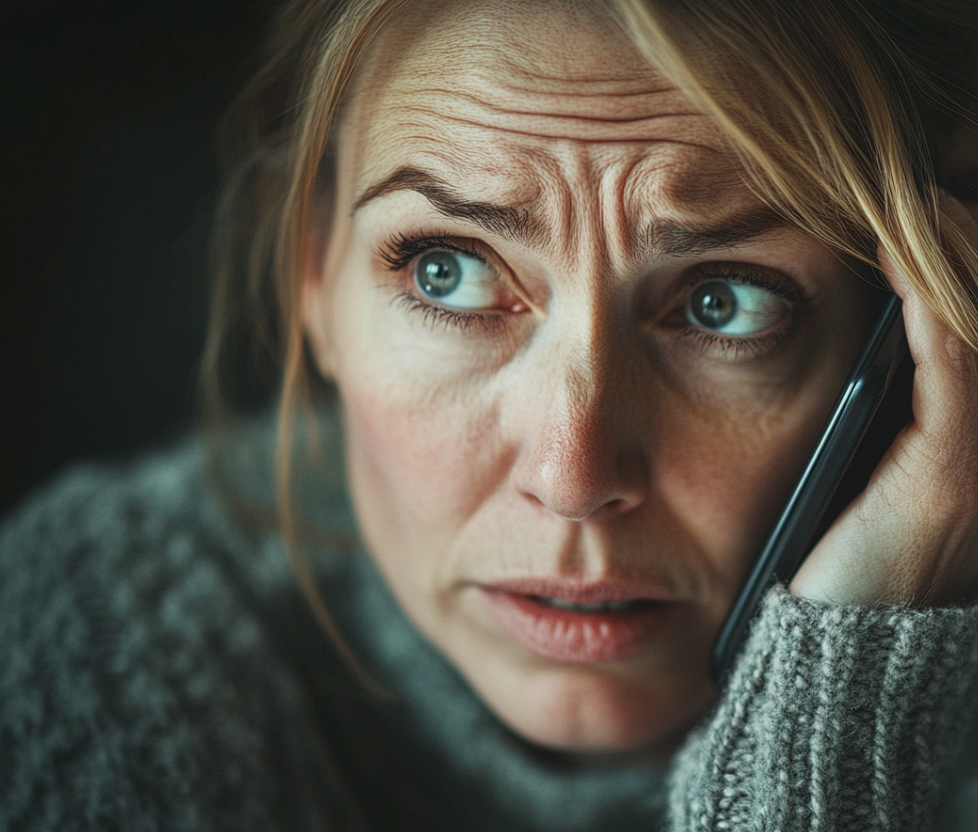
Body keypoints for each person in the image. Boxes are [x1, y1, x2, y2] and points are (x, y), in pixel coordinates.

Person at [3, 0, 978, 828]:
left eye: (724, 302)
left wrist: (854, 681)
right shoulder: (97, 623)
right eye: (448, 271)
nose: (574, 474)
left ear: (901, 338)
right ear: (311, 281)